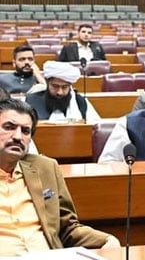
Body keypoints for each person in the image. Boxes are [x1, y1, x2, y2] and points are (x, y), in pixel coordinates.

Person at [0, 99, 120, 256]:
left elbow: (67, 227)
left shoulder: (45, 168)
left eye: (25, 131)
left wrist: (106, 239)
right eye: (9, 127)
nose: (17, 136)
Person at [25, 61, 100, 123]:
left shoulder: (80, 101)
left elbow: (94, 126)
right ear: (47, 83)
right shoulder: (31, 101)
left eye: (64, 87)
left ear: (70, 86)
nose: (59, 92)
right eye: (55, 86)